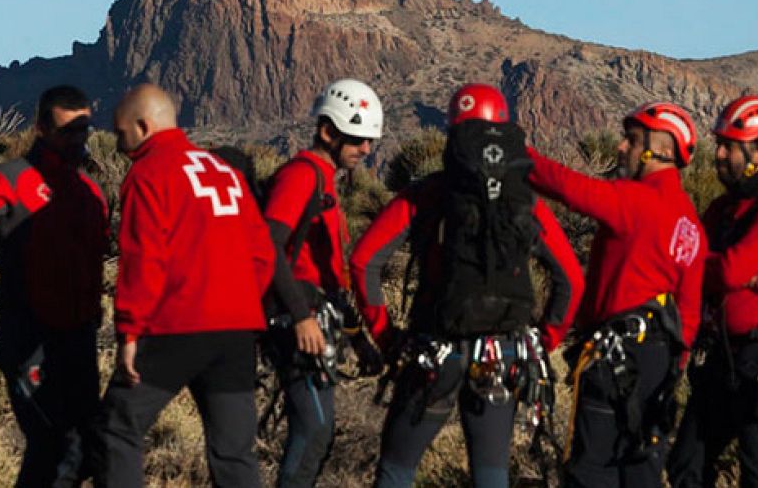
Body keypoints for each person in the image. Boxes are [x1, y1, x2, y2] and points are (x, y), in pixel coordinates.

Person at [350, 83, 583, 488]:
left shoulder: (425, 194)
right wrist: (544, 341)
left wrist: (387, 337)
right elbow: (571, 280)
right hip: (503, 354)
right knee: (490, 475)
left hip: (433, 351)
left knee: (397, 467)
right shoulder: (524, 200)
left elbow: (364, 260)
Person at [96, 84, 275, 488]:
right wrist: (243, 304)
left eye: (121, 134)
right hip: (237, 331)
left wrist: (129, 330)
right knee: (234, 454)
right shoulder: (225, 173)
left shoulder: (150, 172)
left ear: (143, 127)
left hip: (177, 325)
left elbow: (143, 258)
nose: (120, 146)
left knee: (117, 426)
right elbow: (262, 254)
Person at [0, 84, 110, 488]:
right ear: (41, 129)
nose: (77, 139)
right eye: (67, 130)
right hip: (28, 335)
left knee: (86, 446)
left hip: (80, 339)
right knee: (51, 443)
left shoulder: (91, 192)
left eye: (83, 129)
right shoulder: (13, 178)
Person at [526, 101, 706, 487]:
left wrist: (517, 155)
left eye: (632, 139)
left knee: (591, 471)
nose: (621, 148)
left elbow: (568, 188)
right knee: (639, 467)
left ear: (661, 150)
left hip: (614, 359)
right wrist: (675, 371)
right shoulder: (689, 222)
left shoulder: (635, 201)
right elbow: (689, 314)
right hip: (659, 364)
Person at [666, 95, 758, 488]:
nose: (718, 154)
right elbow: (686, 260)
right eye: (720, 144)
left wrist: (711, 266)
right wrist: (716, 267)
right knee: (687, 464)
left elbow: (730, 269)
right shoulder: (723, 209)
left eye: (729, 146)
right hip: (722, 356)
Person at [262, 78, 386, 488]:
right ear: (328, 131)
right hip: (295, 324)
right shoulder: (300, 176)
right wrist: (300, 317)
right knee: (314, 428)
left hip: (317, 320)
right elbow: (269, 247)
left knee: (318, 431)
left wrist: (359, 338)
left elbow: (332, 276)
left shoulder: (324, 180)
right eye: (357, 139)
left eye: (370, 141)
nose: (366, 150)